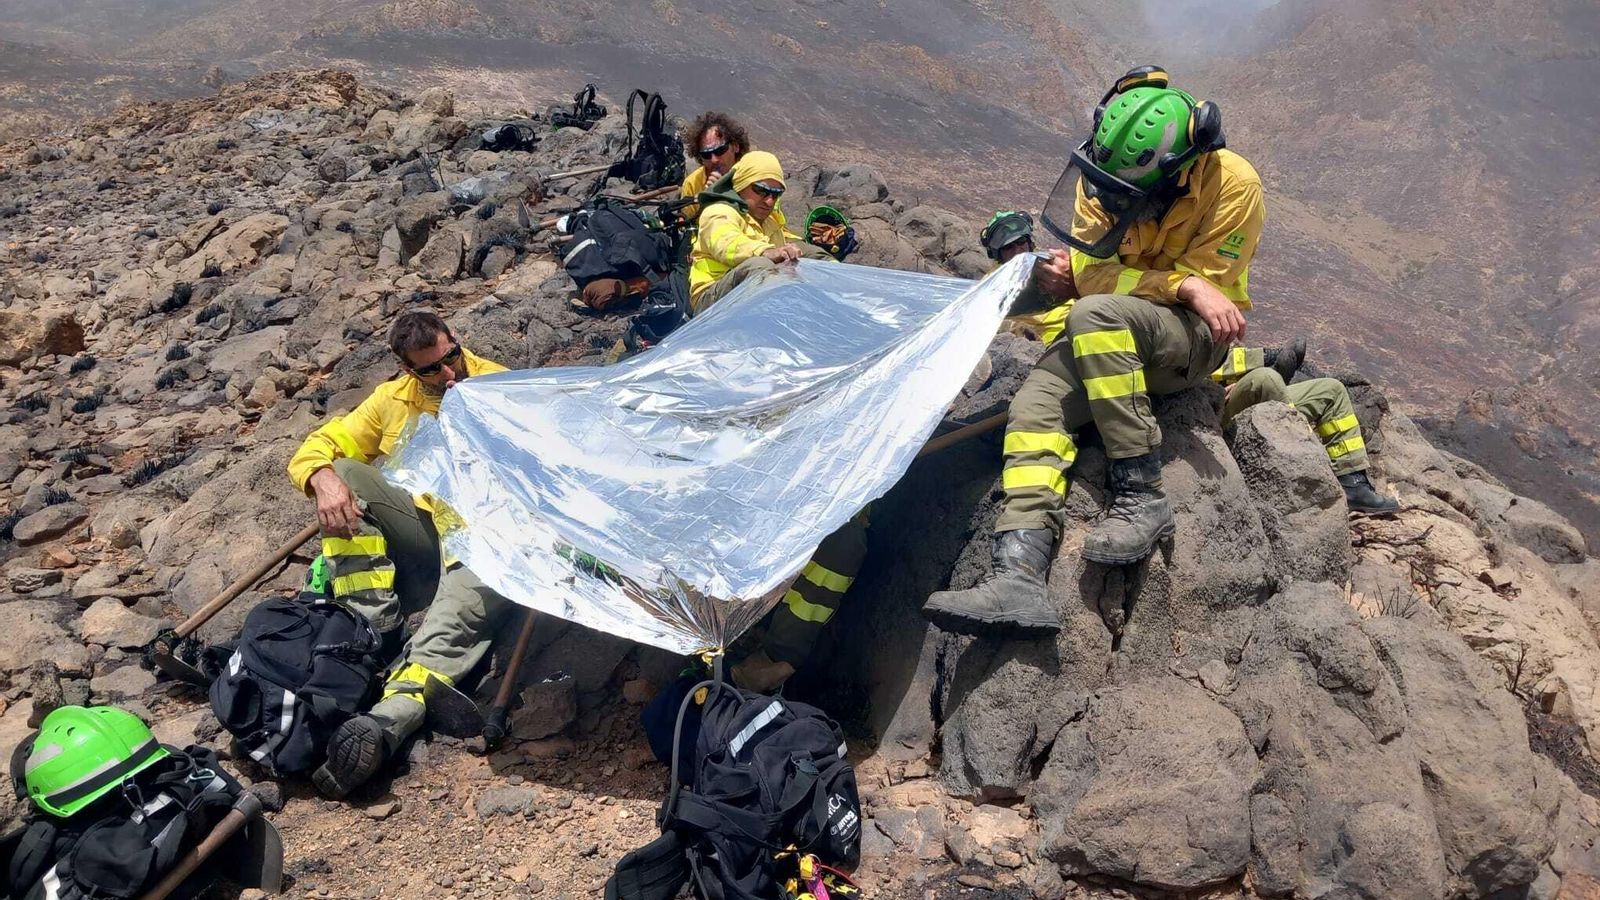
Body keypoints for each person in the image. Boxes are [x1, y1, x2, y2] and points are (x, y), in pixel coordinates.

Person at [924, 66, 1395, 638]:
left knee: (1094, 313)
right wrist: (1176, 282)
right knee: (1036, 404)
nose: (1109, 199)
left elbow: (1201, 298)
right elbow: (1094, 271)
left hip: (1191, 340)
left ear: (1180, 171)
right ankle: (1018, 572)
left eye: (1129, 196)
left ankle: (1140, 494)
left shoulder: (1234, 186)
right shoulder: (1103, 174)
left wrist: (1181, 289)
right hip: (1118, 332)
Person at [286, 310, 517, 797]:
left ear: (456, 341)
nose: (448, 373)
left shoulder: (501, 386)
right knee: (344, 474)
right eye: (431, 369)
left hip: (489, 540)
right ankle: (374, 629)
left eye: (450, 357)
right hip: (426, 533)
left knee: (452, 622)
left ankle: (389, 721)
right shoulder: (391, 401)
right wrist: (322, 480)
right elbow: (321, 445)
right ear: (407, 369)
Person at [687, 150, 833, 315]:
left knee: (815, 257)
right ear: (741, 184)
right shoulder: (718, 212)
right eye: (761, 190)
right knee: (760, 267)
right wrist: (766, 251)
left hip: (752, 294)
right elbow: (727, 245)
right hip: (711, 300)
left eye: (776, 194)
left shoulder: (770, 223)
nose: (770, 201)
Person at [679, 112, 752, 222]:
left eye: (719, 151)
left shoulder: (752, 175)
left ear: (735, 146)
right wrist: (708, 199)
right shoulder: (693, 183)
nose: (714, 160)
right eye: (706, 155)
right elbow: (685, 225)